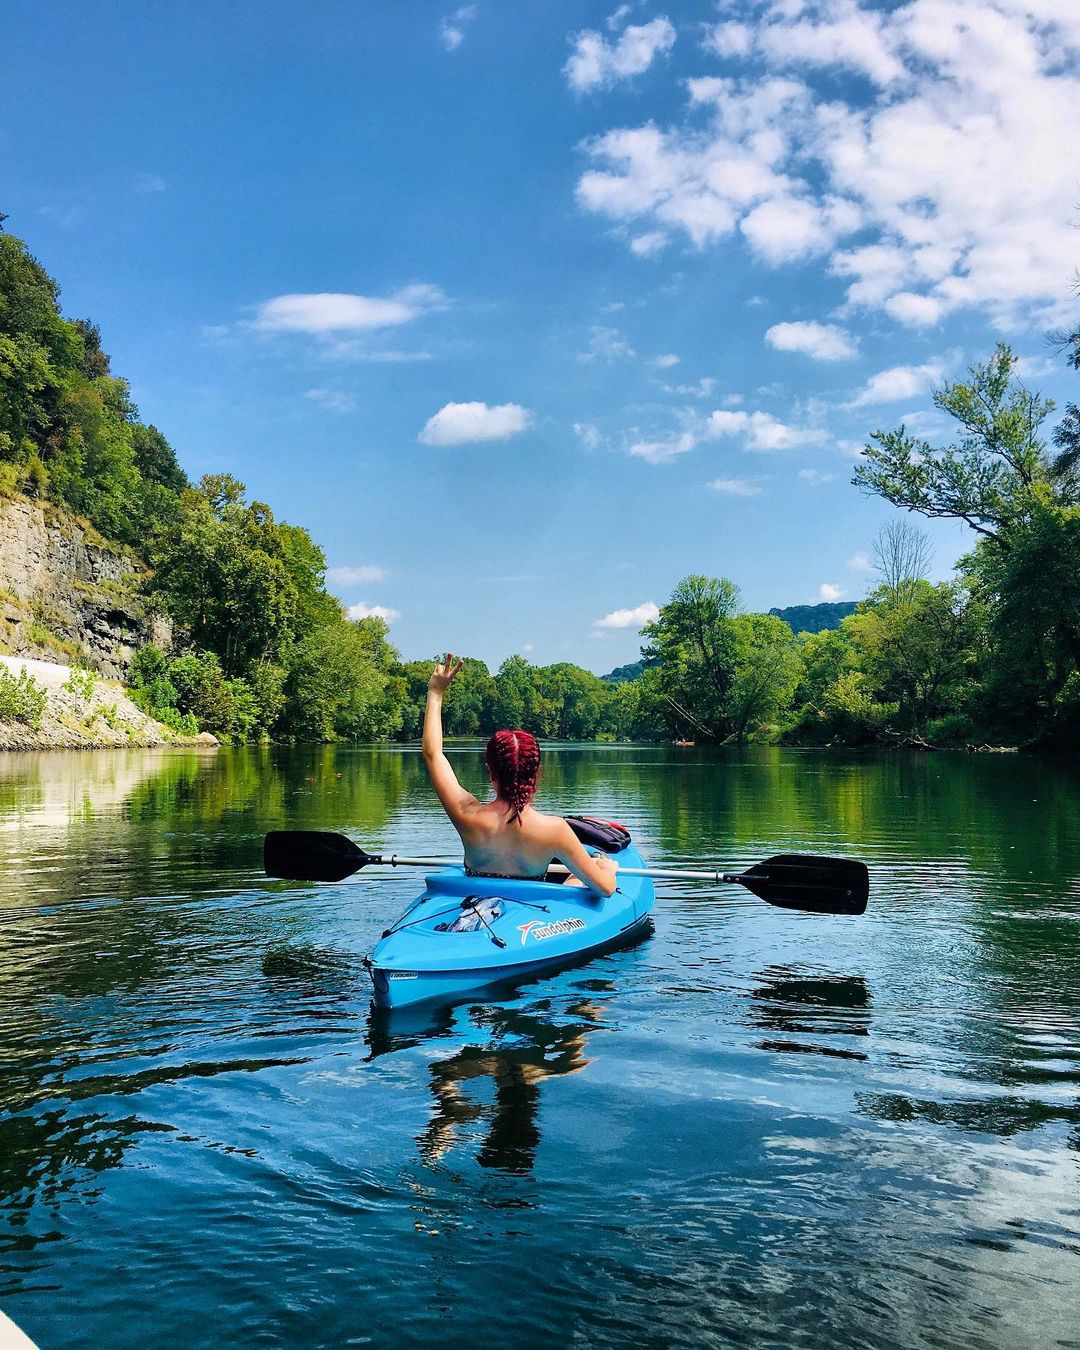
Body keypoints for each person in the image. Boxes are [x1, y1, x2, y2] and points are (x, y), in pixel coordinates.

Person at [422, 653, 618, 897]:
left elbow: (433, 754)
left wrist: (435, 693)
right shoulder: (555, 830)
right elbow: (606, 888)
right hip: (529, 908)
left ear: (489, 772)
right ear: (535, 773)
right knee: (575, 879)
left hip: (473, 900)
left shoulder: (467, 814)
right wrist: (607, 868)